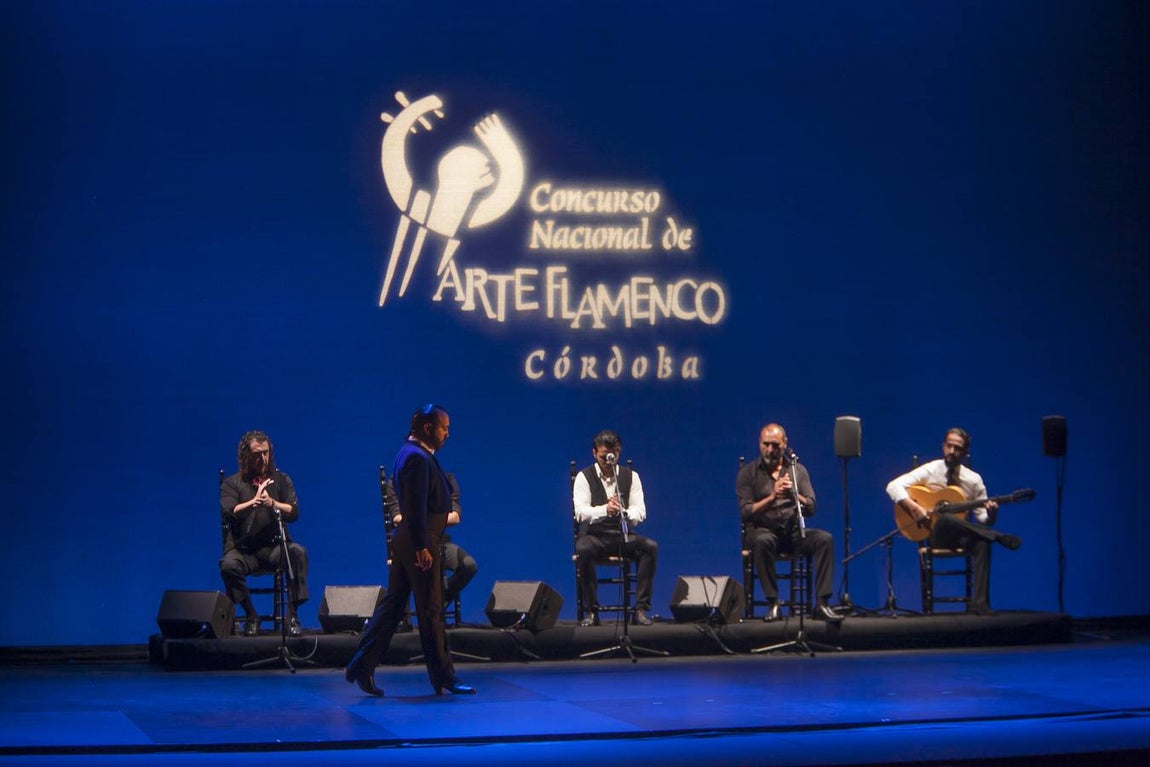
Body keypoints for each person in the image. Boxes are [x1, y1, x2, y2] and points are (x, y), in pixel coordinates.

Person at [345, 405, 476, 697]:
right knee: (431, 609)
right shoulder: (416, 457)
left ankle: (361, 665)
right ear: (428, 428)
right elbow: (415, 507)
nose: (447, 434)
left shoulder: (412, 453)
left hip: (412, 538)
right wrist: (422, 546)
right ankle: (444, 677)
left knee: (393, 607)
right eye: (444, 428)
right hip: (420, 539)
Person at [886, 427, 1022, 616]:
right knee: (946, 518)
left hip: (961, 536)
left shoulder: (973, 480)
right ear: (943, 446)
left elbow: (982, 519)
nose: (952, 451)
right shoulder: (931, 469)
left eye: (957, 448)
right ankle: (999, 536)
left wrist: (991, 515)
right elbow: (893, 486)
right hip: (935, 534)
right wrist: (914, 507)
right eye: (949, 446)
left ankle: (979, 604)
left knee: (983, 541)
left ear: (965, 453)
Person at [735, 423, 844, 624]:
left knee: (824, 539)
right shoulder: (748, 473)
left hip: (792, 531)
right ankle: (773, 603)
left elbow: (811, 507)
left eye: (775, 445)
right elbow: (745, 512)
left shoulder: (797, 470)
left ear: (785, 444)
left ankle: (821, 603)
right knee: (763, 541)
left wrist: (796, 494)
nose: (769, 450)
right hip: (762, 531)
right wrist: (772, 496)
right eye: (765, 445)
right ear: (759, 444)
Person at [219, 430, 309, 637]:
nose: (263, 458)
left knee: (297, 553)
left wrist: (272, 503)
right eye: (257, 454)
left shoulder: (281, 479)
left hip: (274, 549)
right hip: (244, 551)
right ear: (246, 456)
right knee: (228, 566)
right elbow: (229, 512)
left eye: (266, 453)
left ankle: (292, 615)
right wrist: (254, 502)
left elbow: (293, 512)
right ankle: (251, 615)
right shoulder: (232, 484)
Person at [572, 429, 658, 627]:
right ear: (595, 453)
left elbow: (640, 511)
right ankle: (592, 611)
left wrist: (624, 513)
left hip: (621, 535)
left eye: (613, 455)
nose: (608, 461)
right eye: (603, 457)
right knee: (583, 549)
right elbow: (581, 513)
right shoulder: (584, 477)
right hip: (595, 536)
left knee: (650, 547)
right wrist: (605, 509)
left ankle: (640, 609)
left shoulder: (631, 477)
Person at [384, 471, 479, 612]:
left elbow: (455, 517)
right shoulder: (397, 481)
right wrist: (432, 520)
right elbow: (397, 518)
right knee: (405, 578)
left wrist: (422, 520)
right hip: (411, 545)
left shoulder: (445, 479)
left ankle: (442, 596)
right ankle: (406, 613)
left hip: (439, 543)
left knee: (468, 566)